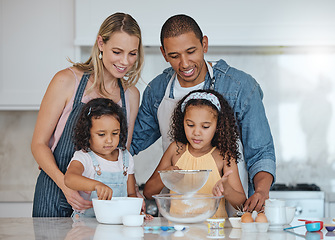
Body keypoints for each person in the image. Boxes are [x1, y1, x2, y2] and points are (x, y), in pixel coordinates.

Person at [131, 14, 276, 212]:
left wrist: (260, 191)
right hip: (179, 213)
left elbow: (261, 152)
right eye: (174, 56)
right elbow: (128, 145)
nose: (184, 64)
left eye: (191, 52)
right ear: (164, 54)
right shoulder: (157, 91)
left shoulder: (240, 87)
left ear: (204, 44)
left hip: (233, 214)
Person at [31, 12, 144, 217]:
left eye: (132, 53)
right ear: (101, 43)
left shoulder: (131, 95)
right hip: (54, 194)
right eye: (117, 51)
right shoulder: (66, 81)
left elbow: (121, 156)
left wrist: (133, 195)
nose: (125, 61)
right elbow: (38, 144)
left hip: (100, 207)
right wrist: (66, 187)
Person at [143, 89, 246, 218]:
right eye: (190, 125)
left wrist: (227, 189)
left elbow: (241, 204)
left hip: (213, 233)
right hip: (178, 231)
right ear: (182, 123)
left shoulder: (224, 156)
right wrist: (166, 177)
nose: (196, 132)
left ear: (218, 126)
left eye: (205, 127)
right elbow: (148, 192)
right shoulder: (175, 150)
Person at [64, 98, 150, 219]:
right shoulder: (84, 157)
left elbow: (131, 194)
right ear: (87, 134)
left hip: (118, 225)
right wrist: (96, 185)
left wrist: (138, 214)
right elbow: (69, 179)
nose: (109, 140)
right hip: (85, 228)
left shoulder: (126, 158)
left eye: (115, 133)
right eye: (101, 134)